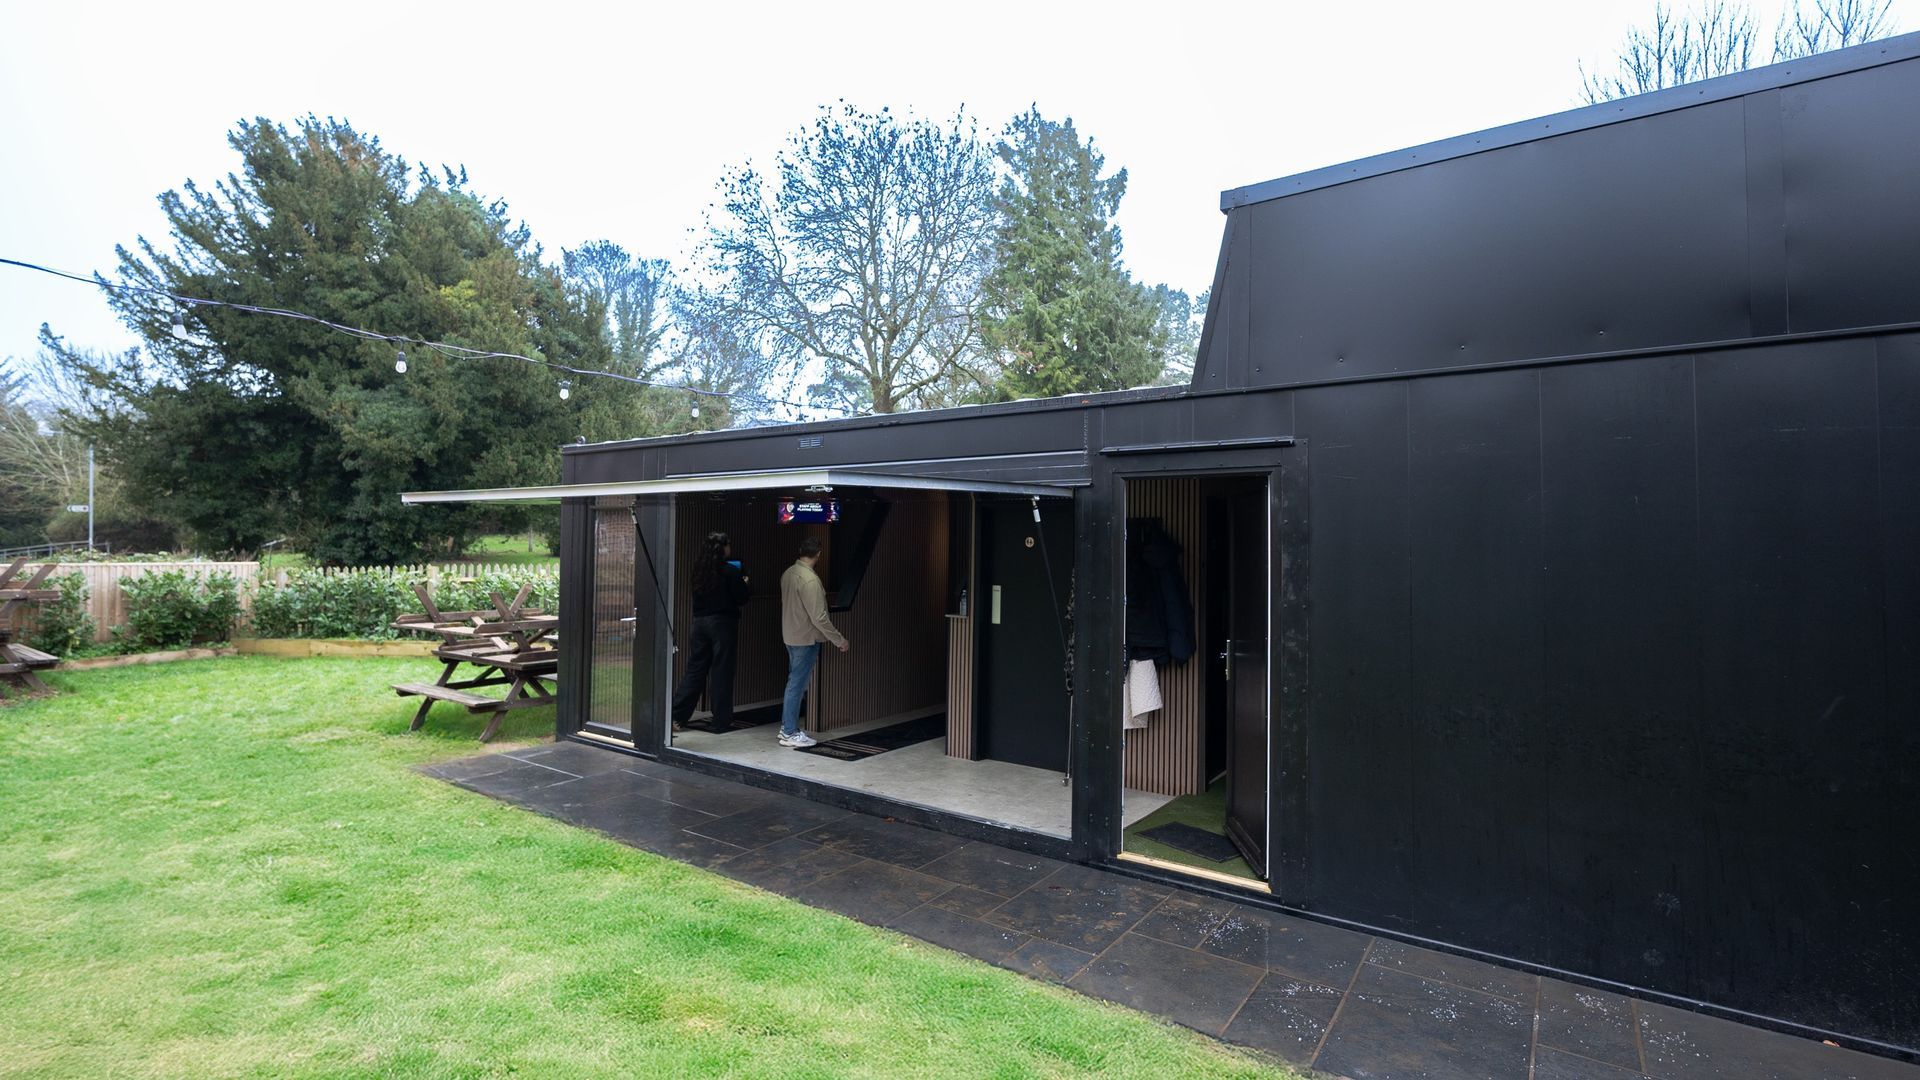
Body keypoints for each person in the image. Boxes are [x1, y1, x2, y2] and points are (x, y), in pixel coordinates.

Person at [670, 531, 752, 733]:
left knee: (695, 670)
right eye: (728, 546)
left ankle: (676, 716)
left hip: (699, 624)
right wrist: (745, 582)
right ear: (724, 548)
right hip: (722, 624)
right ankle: (721, 720)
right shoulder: (730, 572)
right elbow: (742, 598)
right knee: (721, 672)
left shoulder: (698, 571)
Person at [777, 535, 848, 748]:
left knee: (794, 682)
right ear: (818, 554)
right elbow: (819, 617)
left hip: (790, 635)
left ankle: (789, 729)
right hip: (805, 638)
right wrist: (839, 639)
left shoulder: (788, 573)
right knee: (797, 685)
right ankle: (789, 731)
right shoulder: (810, 580)